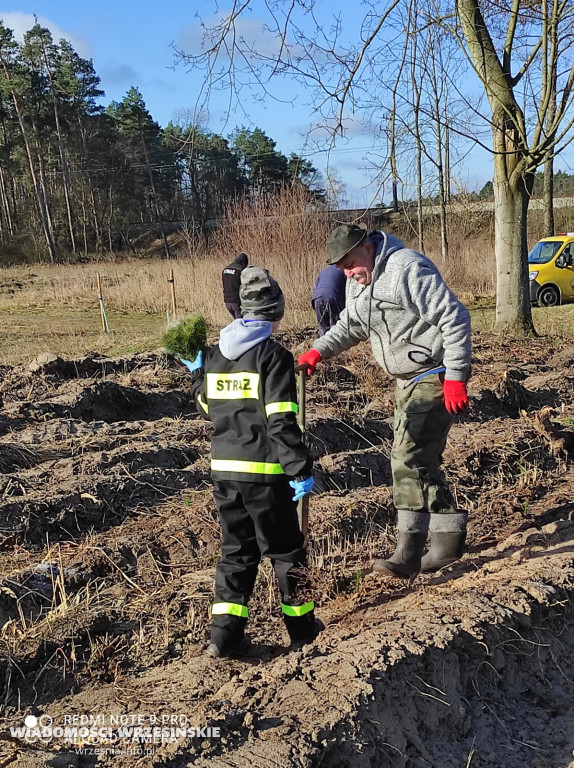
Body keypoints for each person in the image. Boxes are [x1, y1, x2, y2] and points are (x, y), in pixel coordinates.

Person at [297, 223, 471, 580]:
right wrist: (318, 351)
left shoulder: (406, 268)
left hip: (432, 374)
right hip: (405, 381)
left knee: (405, 458)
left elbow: (454, 318)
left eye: (350, 263)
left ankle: (407, 552)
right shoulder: (357, 281)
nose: (347, 273)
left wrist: (455, 376)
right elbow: (351, 326)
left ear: (367, 247)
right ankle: (447, 541)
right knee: (423, 459)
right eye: (341, 268)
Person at [185, 266, 323, 657]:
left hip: (224, 473)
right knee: (287, 551)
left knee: (236, 553)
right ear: (276, 310)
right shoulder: (274, 357)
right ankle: (302, 630)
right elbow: (281, 418)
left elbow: (207, 407)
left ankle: (223, 638)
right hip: (264, 475)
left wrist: (197, 375)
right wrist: (299, 469)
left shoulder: (215, 355)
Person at [312, 264, 347, 335]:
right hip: (333, 298)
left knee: (323, 327)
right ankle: (336, 345)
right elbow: (347, 291)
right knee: (336, 327)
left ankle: (323, 344)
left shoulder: (324, 271)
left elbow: (315, 288)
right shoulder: (344, 272)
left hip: (317, 298)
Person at [222, 253, 249, 319]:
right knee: (240, 324)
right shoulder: (242, 270)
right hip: (237, 302)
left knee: (237, 322)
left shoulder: (225, 269)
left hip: (227, 301)